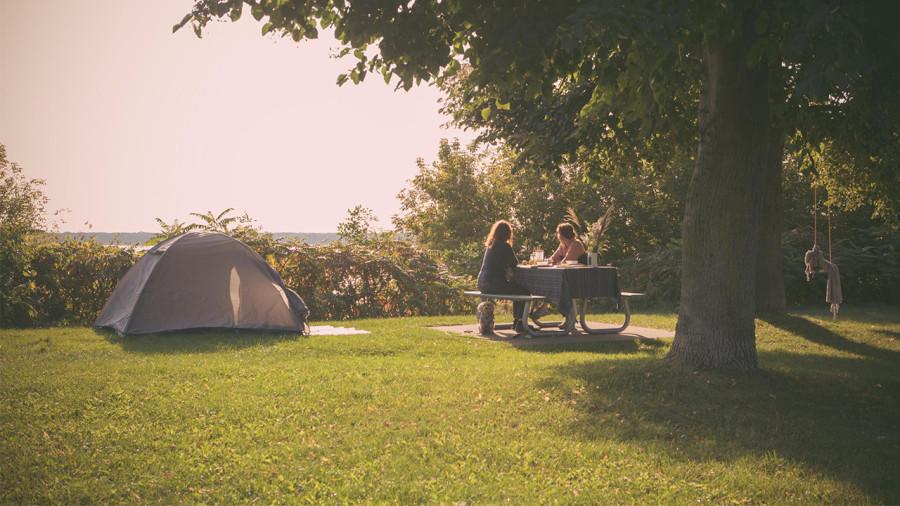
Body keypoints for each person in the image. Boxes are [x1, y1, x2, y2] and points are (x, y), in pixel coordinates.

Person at [477, 220, 535, 336]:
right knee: (524, 292)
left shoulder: (490, 245)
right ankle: (519, 322)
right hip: (494, 283)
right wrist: (509, 267)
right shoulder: (505, 246)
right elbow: (514, 262)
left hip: (482, 283)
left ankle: (517, 321)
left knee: (516, 290)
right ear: (508, 234)